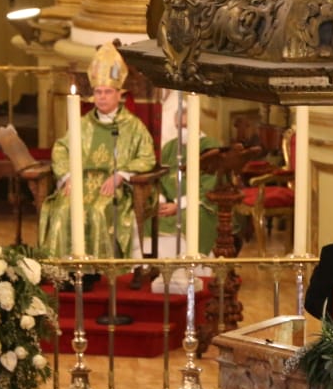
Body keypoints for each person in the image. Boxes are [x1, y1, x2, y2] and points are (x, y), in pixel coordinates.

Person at [37, 43, 155, 259]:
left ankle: (97, 271)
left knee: (97, 211)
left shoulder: (133, 126)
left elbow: (147, 157)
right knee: (63, 209)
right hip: (79, 183)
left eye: (107, 92)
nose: (101, 97)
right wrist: (67, 176)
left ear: (120, 94)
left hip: (112, 187)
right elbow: (61, 149)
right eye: (97, 92)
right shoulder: (82, 124)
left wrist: (121, 175)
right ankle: (63, 272)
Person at [143, 104, 223, 257]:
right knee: (149, 215)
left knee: (189, 218)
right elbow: (160, 180)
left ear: (197, 124)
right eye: (179, 127)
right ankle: (159, 268)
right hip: (170, 203)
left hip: (201, 204)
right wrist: (160, 201)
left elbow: (210, 186)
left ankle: (192, 267)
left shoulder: (210, 147)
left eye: (186, 126)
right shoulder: (170, 148)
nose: (183, 131)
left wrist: (179, 205)